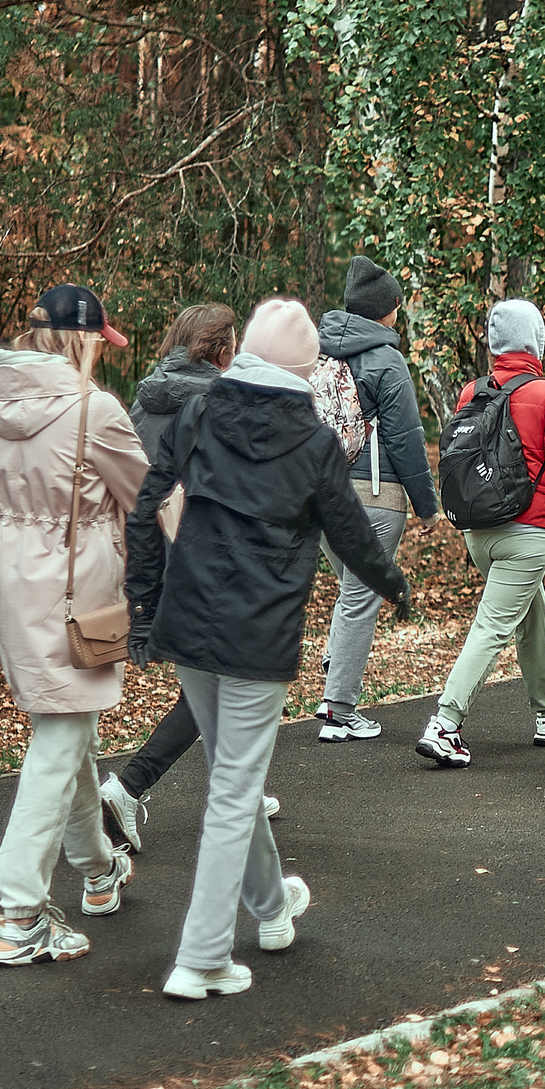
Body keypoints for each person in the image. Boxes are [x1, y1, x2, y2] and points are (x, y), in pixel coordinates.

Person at [124, 299, 411, 1000]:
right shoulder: (311, 442)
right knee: (234, 789)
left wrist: (147, 606)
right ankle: (202, 958)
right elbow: (351, 534)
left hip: (190, 620)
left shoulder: (199, 415)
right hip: (258, 632)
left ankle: (273, 910)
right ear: (304, 371)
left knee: (233, 778)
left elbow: (144, 508)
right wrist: (394, 586)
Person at [0, 283, 149, 966]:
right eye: (98, 343)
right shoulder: (95, 411)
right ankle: (21, 913)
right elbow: (151, 497)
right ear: (82, 339)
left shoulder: (1, 404)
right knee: (59, 744)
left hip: (17, 582)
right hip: (76, 590)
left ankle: (100, 873)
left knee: (70, 732)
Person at [95, 304, 237, 852]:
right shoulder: (219, 403)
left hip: (148, 553)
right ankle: (129, 787)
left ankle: (241, 789)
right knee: (216, 687)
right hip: (204, 560)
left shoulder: (144, 398)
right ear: (221, 349)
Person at [414, 299, 545, 767]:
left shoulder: (473, 393)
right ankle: (444, 723)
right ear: (536, 341)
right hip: (527, 534)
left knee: (532, 615)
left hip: (480, 533)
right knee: (492, 627)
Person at [314, 255, 445, 741]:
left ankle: (336, 668)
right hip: (374, 493)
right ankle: (339, 709)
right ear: (387, 310)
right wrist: (426, 506)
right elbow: (406, 438)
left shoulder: (318, 350)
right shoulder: (386, 358)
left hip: (318, 495)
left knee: (351, 589)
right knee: (360, 595)